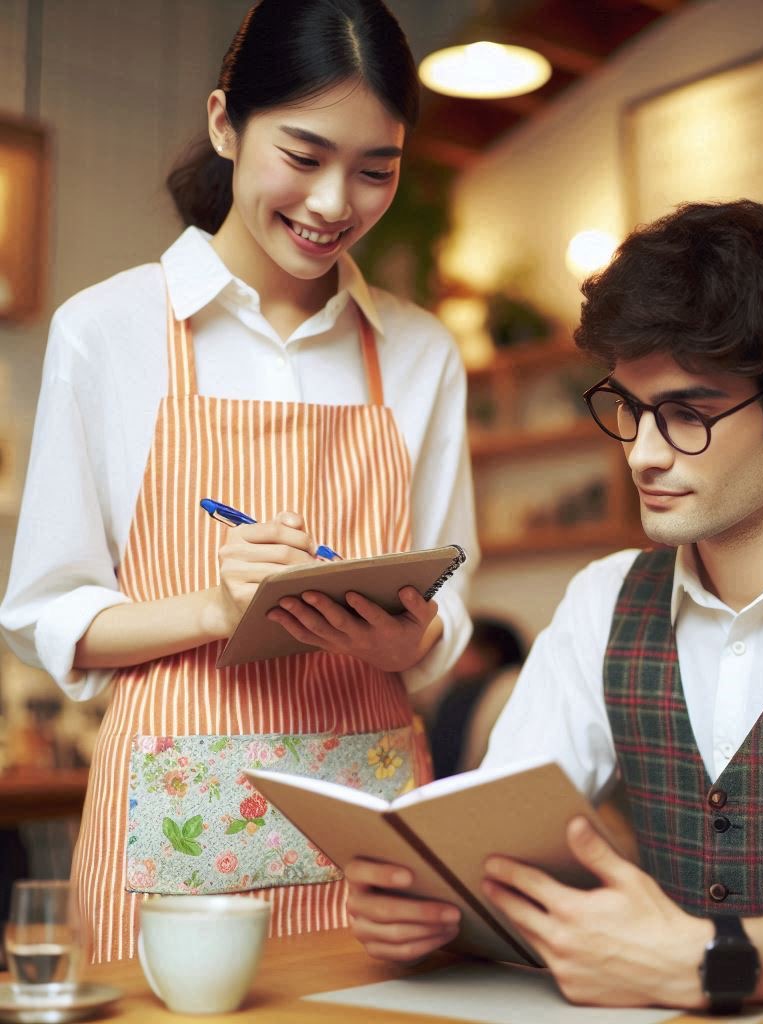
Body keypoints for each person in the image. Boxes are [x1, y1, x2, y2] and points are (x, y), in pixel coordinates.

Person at [342, 200, 763, 1018]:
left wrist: (719, 960)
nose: (643, 452)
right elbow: (498, 835)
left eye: (689, 415)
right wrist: (432, 903)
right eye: (630, 408)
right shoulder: (604, 602)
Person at [0, 0, 477, 963]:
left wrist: (413, 632)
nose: (336, 203)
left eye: (375, 170)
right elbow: (48, 610)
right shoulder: (111, 331)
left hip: (370, 835)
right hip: (171, 840)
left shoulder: (422, 353)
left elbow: (452, 603)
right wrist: (218, 608)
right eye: (303, 157)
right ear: (226, 124)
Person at [418, 616, 525, 777]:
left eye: (463, 649)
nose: (453, 660)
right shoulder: (461, 692)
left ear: (490, 655)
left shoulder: (468, 695)